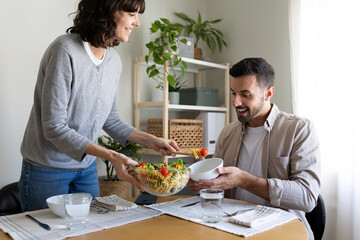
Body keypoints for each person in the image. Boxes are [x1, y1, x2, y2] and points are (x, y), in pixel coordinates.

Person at [19, 0, 180, 211]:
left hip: (86, 170)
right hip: (47, 168)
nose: (137, 22)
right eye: (132, 14)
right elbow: (54, 127)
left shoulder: (113, 61)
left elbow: (110, 119)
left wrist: (151, 141)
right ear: (108, 11)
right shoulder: (64, 50)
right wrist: (112, 155)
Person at [188, 58, 320, 240]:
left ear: (268, 93)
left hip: (282, 232)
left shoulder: (299, 129)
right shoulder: (228, 132)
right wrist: (204, 183)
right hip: (231, 229)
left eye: (245, 94)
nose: (235, 102)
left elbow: (307, 196)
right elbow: (218, 189)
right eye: (233, 93)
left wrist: (244, 180)